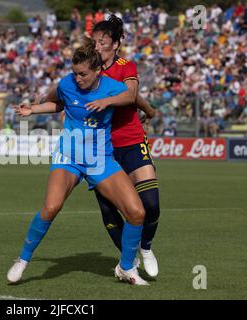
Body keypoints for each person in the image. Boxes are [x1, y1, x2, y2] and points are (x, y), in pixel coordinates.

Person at [7, 40, 149, 286]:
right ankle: (22, 260)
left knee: (137, 213)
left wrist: (108, 102)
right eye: (75, 73)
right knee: (51, 207)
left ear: (97, 72)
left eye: (83, 74)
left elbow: (131, 96)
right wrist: (34, 109)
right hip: (69, 155)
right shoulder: (66, 83)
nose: (77, 78)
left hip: (100, 159)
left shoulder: (112, 87)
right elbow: (57, 102)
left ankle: (126, 267)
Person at [83, 15, 161, 277]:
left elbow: (130, 96)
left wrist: (111, 103)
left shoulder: (126, 65)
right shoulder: (89, 70)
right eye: (94, 42)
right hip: (101, 147)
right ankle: (129, 260)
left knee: (151, 203)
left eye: (102, 42)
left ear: (115, 44)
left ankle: (146, 247)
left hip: (131, 140)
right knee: (108, 211)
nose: (96, 47)